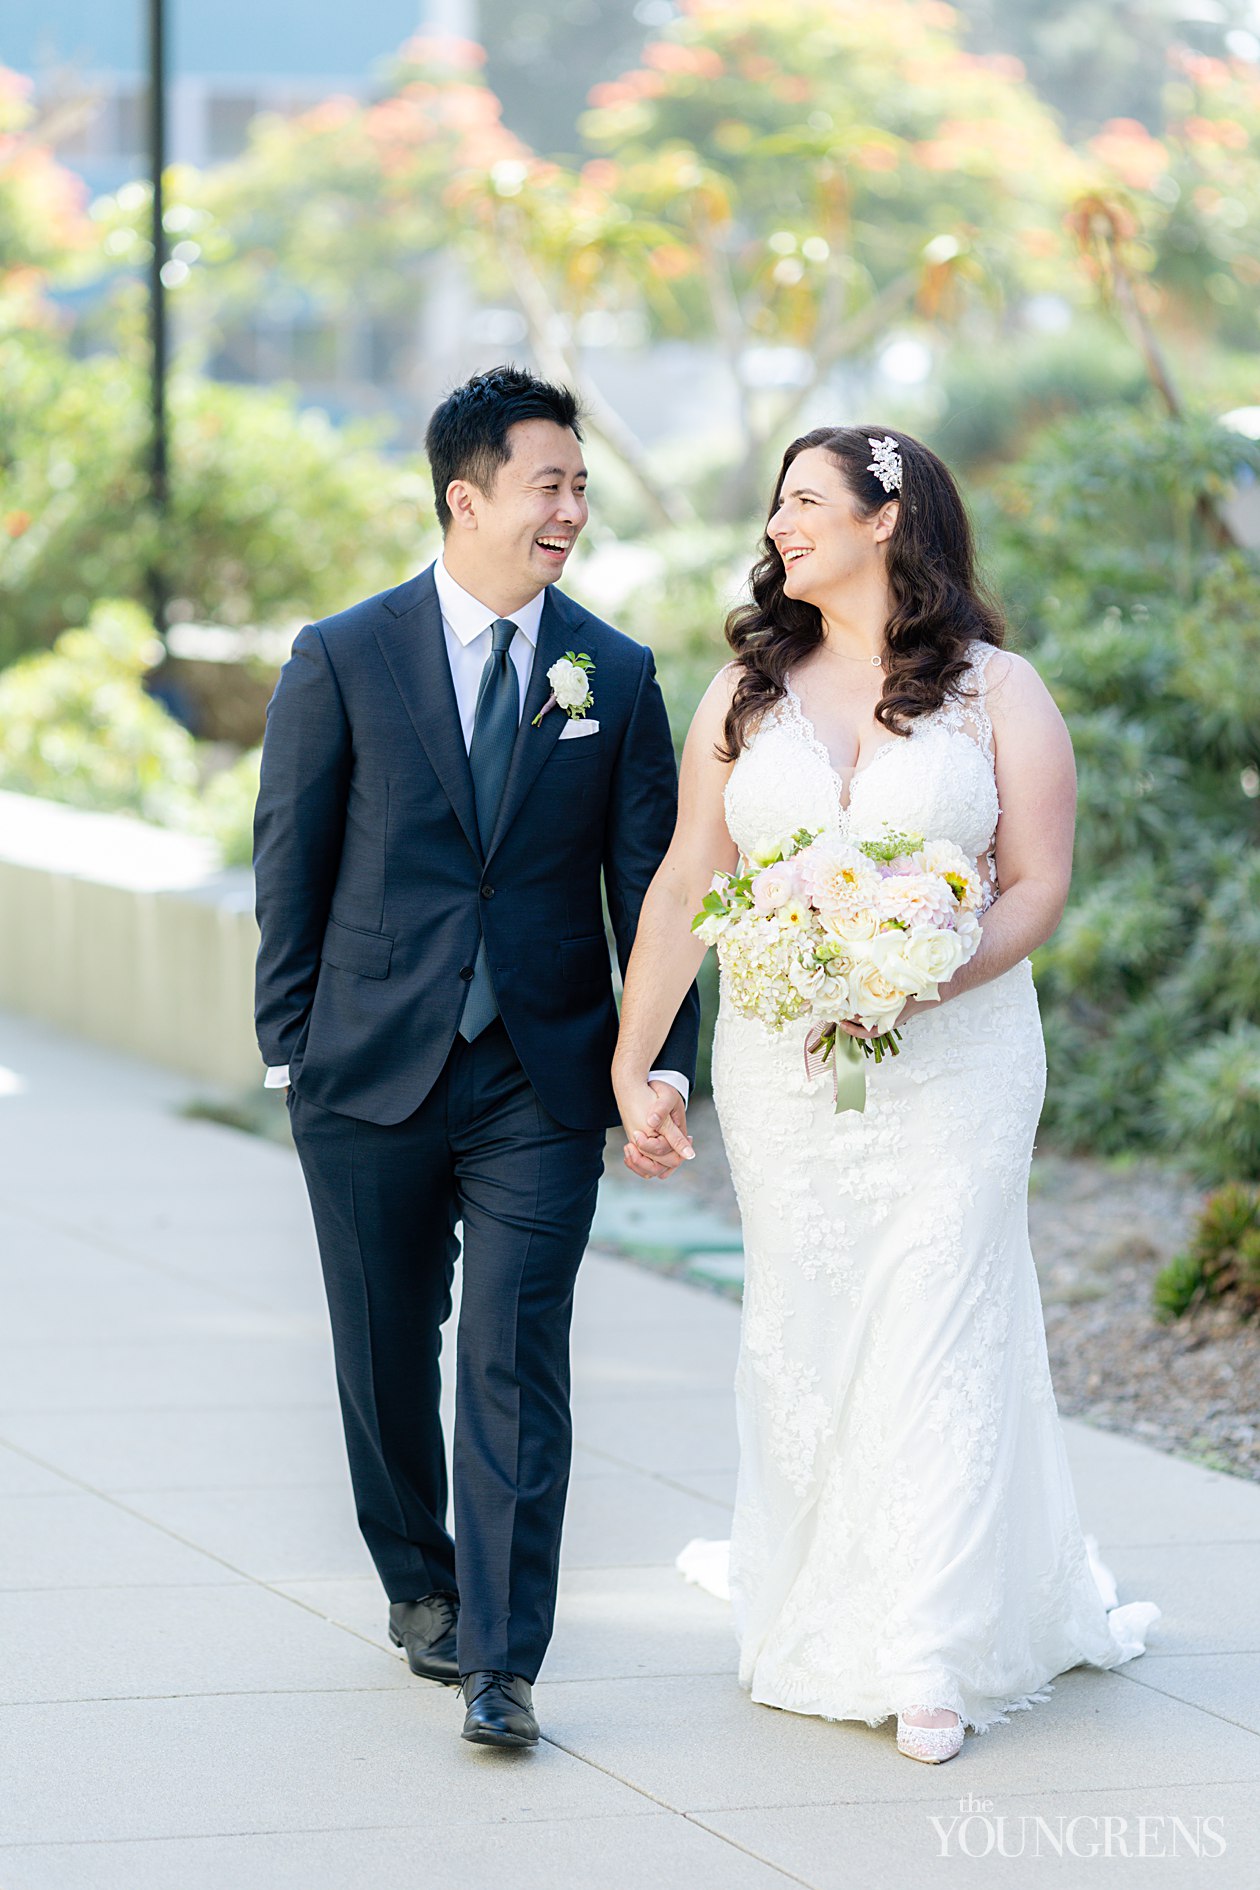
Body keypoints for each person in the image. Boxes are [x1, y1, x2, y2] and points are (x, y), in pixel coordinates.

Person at [612, 424, 1158, 1764]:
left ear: (886, 518)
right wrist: (637, 1058)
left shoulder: (998, 690)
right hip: (785, 1063)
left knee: (938, 1313)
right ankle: (825, 1595)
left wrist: (929, 975)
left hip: (960, 1060)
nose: (780, 524)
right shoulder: (744, 691)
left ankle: (928, 1646)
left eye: (806, 501)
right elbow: (691, 879)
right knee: (811, 1321)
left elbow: (1034, 882)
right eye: (777, 504)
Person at [253, 364, 699, 1750]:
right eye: (547, 483)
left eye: (581, 485)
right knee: (386, 1355)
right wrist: (290, 1049)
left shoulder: (613, 674)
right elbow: (294, 854)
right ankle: (420, 1585)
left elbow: (659, 889)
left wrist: (662, 1060)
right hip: (369, 1066)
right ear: (467, 495)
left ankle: (504, 1655)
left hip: (542, 1075)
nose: (571, 508)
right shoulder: (345, 652)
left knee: (517, 1347)